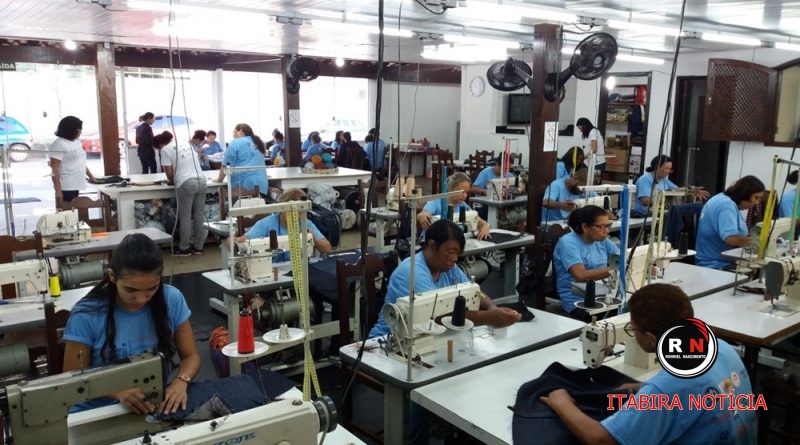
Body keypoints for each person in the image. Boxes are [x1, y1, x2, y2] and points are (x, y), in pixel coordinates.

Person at [541, 283, 757, 445]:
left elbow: (601, 439)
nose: (632, 334)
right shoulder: (720, 346)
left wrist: (561, 403)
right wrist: (644, 388)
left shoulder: (667, 388)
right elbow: (698, 390)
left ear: (652, 339)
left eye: (633, 329)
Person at [63, 233, 200, 415]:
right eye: (131, 290)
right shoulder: (86, 315)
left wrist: (182, 381)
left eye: (152, 288)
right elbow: (72, 380)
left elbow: (191, 356)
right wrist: (118, 392)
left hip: (149, 408)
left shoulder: (171, 299)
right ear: (112, 276)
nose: (141, 299)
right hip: (94, 413)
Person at [369, 219, 521, 338]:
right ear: (432, 245)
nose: (454, 258)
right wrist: (490, 317)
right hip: (388, 342)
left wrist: (492, 308)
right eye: (451, 252)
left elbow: (474, 291)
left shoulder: (448, 267)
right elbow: (436, 317)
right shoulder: (412, 271)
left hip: (428, 338)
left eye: (457, 254)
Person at [553, 205, 620, 319]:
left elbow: (622, 257)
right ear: (585, 227)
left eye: (608, 225)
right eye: (600, 227)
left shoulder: (602, 240)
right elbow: (580, 276)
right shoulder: (568, 243)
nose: (606, 231)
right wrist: (615, 269)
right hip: (577, 300)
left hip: (601, 293)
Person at [231, 188, 332, 261]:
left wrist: (313, 238)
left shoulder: (305, 223)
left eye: (299, 212)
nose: (295, 216)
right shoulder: (266, 224)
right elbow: (241, 242)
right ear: (281, 208)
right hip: (271, 271)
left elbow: (328, 249)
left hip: (299, 271)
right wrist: (233, 241)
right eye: (290, 212)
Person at [696, 176, 765, 269]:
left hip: (714, 261)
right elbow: (730, 239)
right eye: (756, 197)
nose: (757, 203)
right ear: (744, 193)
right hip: (715, 265)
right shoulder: (726, 206)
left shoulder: (722, 198)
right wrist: (756, 242)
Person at [162, 130, 208, 256]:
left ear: (160, 144)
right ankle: (199, 247)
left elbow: (169, 173)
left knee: (185, 217)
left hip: (186, 183)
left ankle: (184, 248)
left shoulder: (165, 149)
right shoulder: (186, 144)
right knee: (199, 216)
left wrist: (171, 181)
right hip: (202, 181)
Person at [417, 172, 492, 240]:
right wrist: (423, 217)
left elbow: (480, 221)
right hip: (433, 241)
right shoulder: (435, 202)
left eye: (466, 192)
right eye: (462, 192)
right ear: (450, 188)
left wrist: (485, 226)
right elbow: (422, 214)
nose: (465, 195)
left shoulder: (463, 206)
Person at [633, 155, 710, 217]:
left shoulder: (664, 180)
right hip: (645, 214)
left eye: (670, 169)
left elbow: (678, 191)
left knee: (696, 206)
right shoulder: (645, 179)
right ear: (657, 167)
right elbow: (645, 201)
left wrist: (692, 192)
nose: (668, 171)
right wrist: (666, 201)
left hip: (660, 213)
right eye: (666, 168)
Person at [49, 115, 96, 204]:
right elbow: (54, 169)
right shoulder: (58, 144)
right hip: (66, 186)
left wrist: (91, 177)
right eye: (79, 129)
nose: (81, 132)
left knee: (75, 210)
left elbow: (80, 162)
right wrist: (58, 191)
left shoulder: (77, 142)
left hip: (76, 184)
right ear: (72, 129)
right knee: (68, 211)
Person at [214, 123, 269, 197]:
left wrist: (219, 180)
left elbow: (226, 165)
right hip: (262, 185)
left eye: (234, 132)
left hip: (244, 185)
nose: (233, 135)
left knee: (223, 195)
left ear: (241, 131)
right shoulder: (257, 143)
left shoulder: (235, 143)